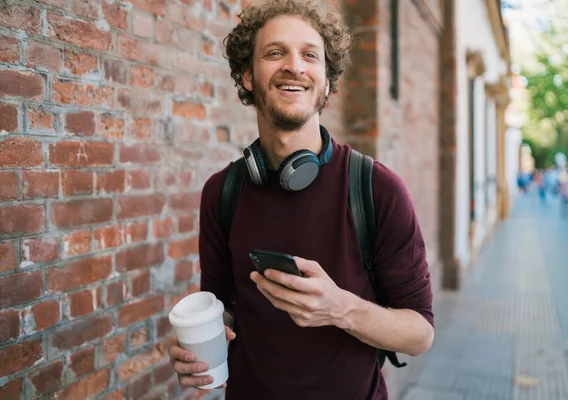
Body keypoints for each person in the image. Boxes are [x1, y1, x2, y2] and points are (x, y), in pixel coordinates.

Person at [169, 1, 434, 399]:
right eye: (275, 53)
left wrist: (340, 308)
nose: (295, 66)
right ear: (247, 75)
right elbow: (224, 307)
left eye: (310, 55)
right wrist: (196, 346)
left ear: (326, 82)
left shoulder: (377, 189)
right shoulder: (221, 193)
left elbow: (420, 334)